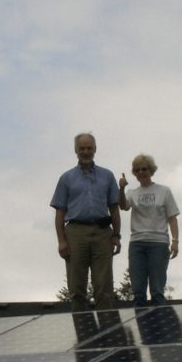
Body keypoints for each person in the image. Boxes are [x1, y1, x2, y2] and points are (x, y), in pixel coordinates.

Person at [51, 133, 122, 312]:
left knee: (104, 288)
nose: (85, 151)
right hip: (75, 233)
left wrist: (116, 235)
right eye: (82, 148)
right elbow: (60, 212)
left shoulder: (107, 176)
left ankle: (106, 335)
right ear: (76, 150)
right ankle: (83, 334)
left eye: (89, 148)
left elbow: (114, 208)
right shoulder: (66, 178)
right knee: (76, 289)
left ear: (95, 149)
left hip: (102, 232)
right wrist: (61, 241)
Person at [118, 154, 179, 307]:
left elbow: (172, 218)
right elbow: (123, 206)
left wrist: (175, 241)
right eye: (137, 170)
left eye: (144, 169)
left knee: (157, 290)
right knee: (138, 292)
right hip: (137, 243)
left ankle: (160, 328)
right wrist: (122, 188)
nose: (141, 172)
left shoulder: (164, 191)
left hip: (158, 243)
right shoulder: (132, 193)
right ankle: (144, 327)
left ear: (151, 170)